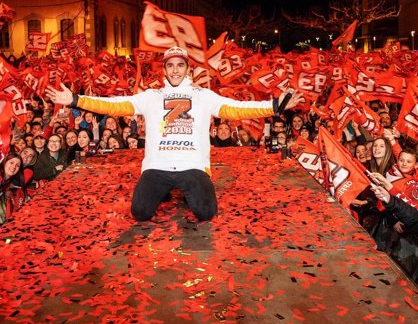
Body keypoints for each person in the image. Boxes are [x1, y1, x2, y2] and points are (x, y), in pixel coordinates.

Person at [46, 46, 303, 221]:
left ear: (188, 69)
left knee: (205, 213)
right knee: (141, 213)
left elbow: (237, 109)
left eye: (181, 65)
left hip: (192, 166)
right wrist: (76, 100)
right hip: (157, 166)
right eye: (171, 66)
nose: (176, 70)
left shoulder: (203, 96)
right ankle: (165, 189)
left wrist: (274, 105)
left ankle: (187, 189)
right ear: (165, 70)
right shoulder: (151, 96)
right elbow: (113, 103)